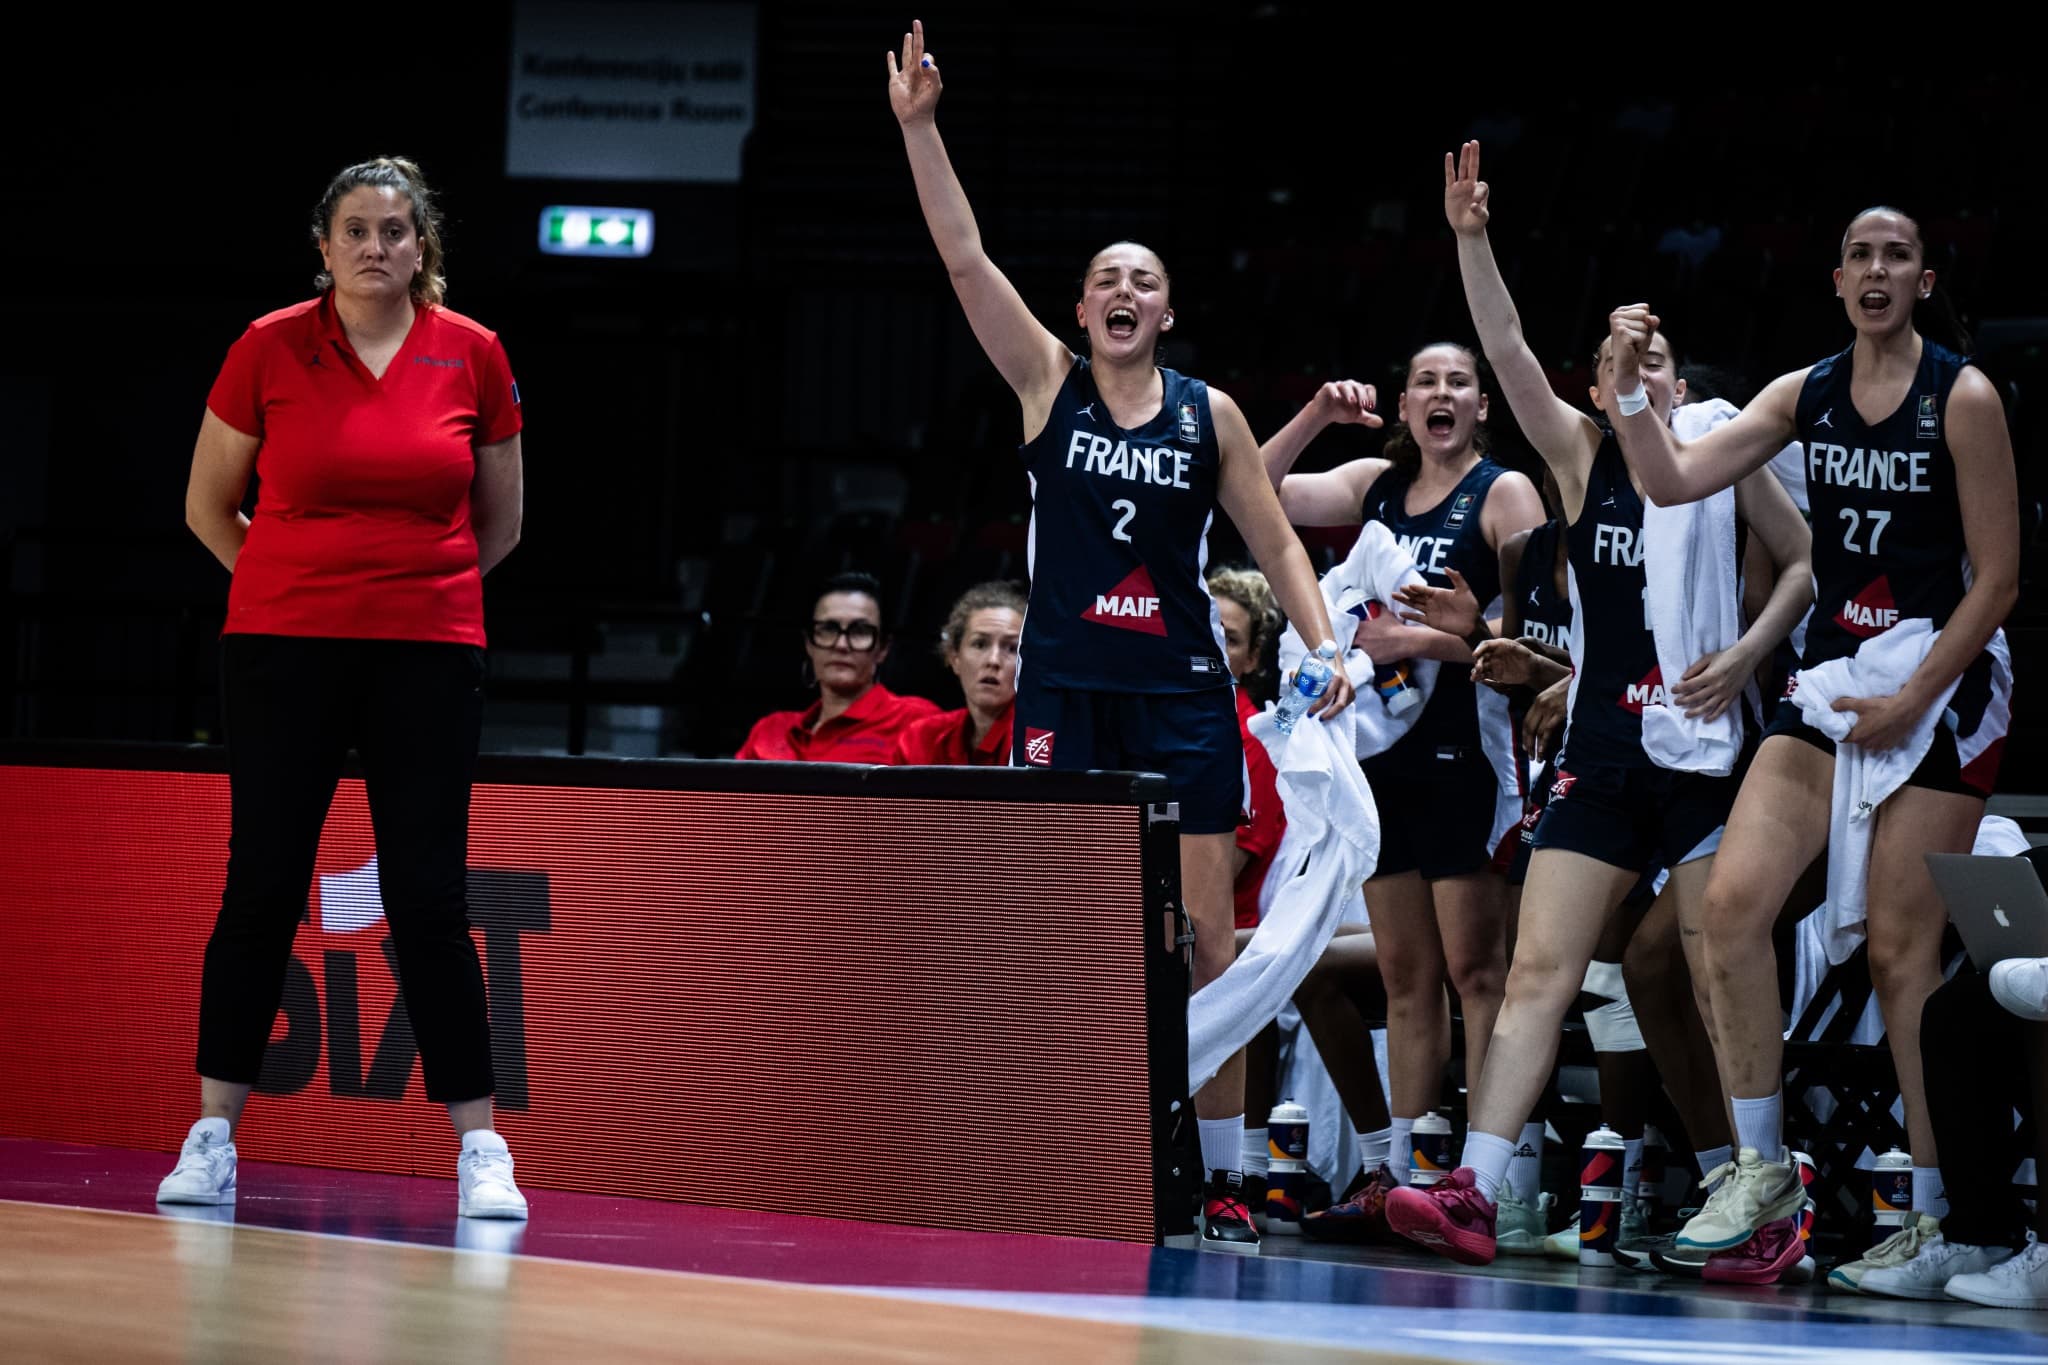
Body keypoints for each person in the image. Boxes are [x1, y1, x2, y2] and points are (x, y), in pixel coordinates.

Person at [888, 21, 1354, 1254]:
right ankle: (1046, 1144)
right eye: (1106, 278)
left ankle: (1217, 1180)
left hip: (1184, 692)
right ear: (1082, 306)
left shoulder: (1213, 415)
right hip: (1066, 688)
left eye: (1143, 280)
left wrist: (1326, 647)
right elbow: (960, 256)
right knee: (1058, 922)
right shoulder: (1047, 382)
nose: (1123, 294)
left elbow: (1280, 545)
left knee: (1209, 938)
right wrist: (921, 128)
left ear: (1167, 308)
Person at [1384, 143, 1812, 1278]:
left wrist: (1747, 653)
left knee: (1701, 967)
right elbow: (1507, 353)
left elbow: (1806, 565)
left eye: (1661, 360)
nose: (1649, 374)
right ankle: (1475, 1184)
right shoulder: (1580, 459)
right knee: (1539, 970)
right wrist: (1472, 239)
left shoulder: (1719, 455)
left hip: (1708, 753)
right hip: (1605, 752)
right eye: (1630, 362)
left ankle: (1754, 1176)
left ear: (1680, 381)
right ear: (1604, 384)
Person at [1601, 203, 2019, 1286]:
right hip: (1834, 679)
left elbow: (2001, 578)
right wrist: (1633, 399)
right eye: (1860, 257)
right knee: (1730, 907)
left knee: (1897, 953)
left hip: (1945, 679)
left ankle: (1938, 1221)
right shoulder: (1805, 392)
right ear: (1835, 281)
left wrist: (1913, 699)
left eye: (1897, 256)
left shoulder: (1960, 397)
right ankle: (1759, 1169)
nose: (1877, 270)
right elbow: (1667, 479)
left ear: (1922, 281)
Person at [162, 157, 528, 1219]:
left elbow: (501, 526)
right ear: (322, 247)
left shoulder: (475, 353)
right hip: (282, 649)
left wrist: (407, 595)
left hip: (428, 648)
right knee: (262, 885)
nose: (377, 247)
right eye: (357, 230)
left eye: (396, 231)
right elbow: (207, 508)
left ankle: (480, 1150)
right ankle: (211, 1137)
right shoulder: (266, 345)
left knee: (428, 899)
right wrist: (291, 589)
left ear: (425, 247)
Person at [1262, 348, 1546, 1192]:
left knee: (1477, 972)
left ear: (1483, 404)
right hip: (1383, 760)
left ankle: (1501, 1178)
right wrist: (1316, 412)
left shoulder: (1505, 494)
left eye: (1458, 381)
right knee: (1406, 978)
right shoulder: (1373, 485)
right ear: (1402, 404)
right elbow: (1255, 488)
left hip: (1470, 754)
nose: (1441, 393)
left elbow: (1540, 647)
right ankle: (1404, 1177)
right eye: (1426, 381)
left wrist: (1420, 641)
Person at [736, 571, 940, 762]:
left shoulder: (917, 721)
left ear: (883, 648)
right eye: (828, 629)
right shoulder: (770, 730)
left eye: (860, 631)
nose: (841, 645)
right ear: (809, 643)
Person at [890, 581, 1025, 766]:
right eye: (980, 644)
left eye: (1012, 648)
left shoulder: (1035, 741)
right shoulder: (921, 739)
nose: (993, 660)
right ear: (954, 657)